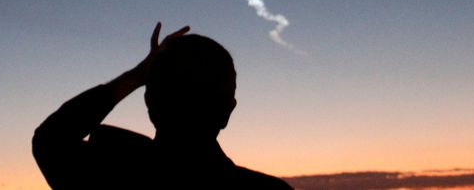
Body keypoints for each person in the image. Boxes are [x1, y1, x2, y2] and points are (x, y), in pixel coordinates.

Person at [32, 23, 293, 189]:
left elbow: (50, 139)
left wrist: (137, 75)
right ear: (227, 111)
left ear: (150, 101)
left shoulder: (108, 171)